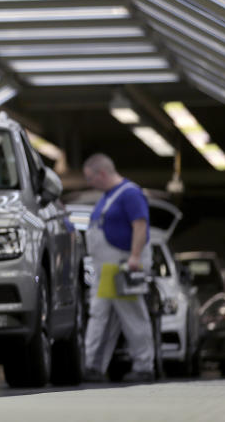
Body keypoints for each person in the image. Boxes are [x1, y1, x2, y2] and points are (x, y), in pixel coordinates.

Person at [81, 153, 154, 382]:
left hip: (121, 267)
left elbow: (140, 225)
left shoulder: (130, 193)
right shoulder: (107, 197)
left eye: (91, 178)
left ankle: (144, 366)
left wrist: (134, 257)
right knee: (101, 315)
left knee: (132, 315)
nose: (90, 184)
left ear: (102, 173)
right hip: (106, 269)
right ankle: (93, 366)